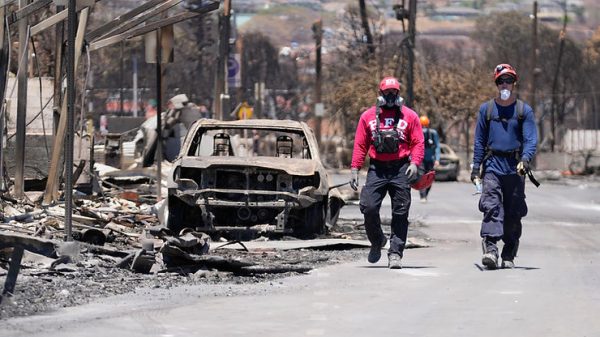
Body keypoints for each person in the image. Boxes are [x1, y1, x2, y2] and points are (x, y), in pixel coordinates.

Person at [350, 76, 424, 269]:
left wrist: (415, 163)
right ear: (380, 94)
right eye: (387, 92)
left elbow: (418, 142)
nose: (391, 96)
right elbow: (360, 144)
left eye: (394, 92)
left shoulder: (410, 116)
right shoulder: (367, 117)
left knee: (400, 211)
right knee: (368, 207)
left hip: (401, 168)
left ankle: (395, 253)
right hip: (377, 169)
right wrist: (355, 168)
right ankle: (377, 241)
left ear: (399, 94)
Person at [471, 64, 538, 270]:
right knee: (491, 206)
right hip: (493, 166)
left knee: (513, 212)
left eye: (508, 80)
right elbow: (479, 141)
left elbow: (530, 139)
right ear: (496, 84)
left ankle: (509, 252)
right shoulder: (487, 110)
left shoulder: (523, 110)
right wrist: (476, 168)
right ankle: (491, 250)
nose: (505, 84)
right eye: (501, 81)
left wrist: (525, 159)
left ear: (514, 83)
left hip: (515, 167)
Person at [418, 116, 440, 203]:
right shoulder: (417, 132)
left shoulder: (433, 133)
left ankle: (425, 194)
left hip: (430, 160)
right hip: (420, 160)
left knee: (430, 178)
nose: (423, 129)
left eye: (425, 126)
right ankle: (422, 195)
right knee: (421, 177)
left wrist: (437, 159)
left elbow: (437, 146)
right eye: (422, 126)